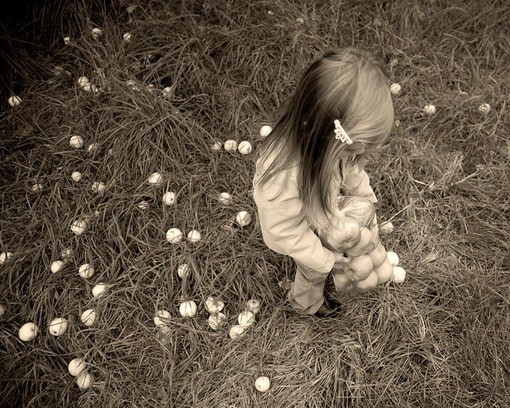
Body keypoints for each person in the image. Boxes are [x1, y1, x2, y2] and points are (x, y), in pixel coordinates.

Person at [252, 48, 394, 317]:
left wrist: (365, 199)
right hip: (293, 227)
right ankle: (306, 304)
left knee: (336, 237)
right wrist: (326, 259)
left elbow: (352, 172)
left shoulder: (330, 148)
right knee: (313, 270)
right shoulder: (282, 178)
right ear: (325, 137)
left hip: (318, 206)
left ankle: (325, 255)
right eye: (353, 153)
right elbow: (285, 231)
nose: (357, 160)